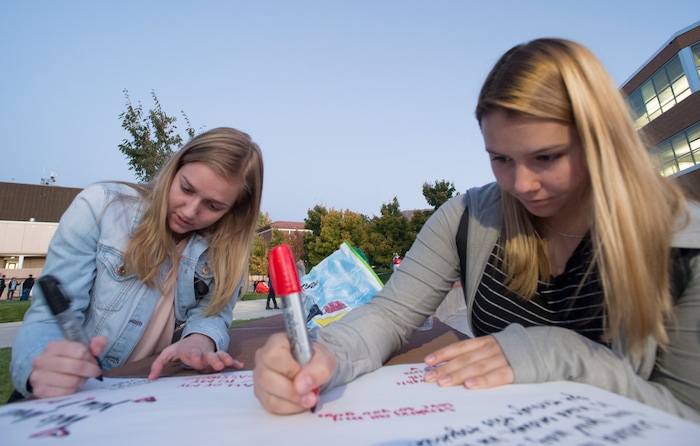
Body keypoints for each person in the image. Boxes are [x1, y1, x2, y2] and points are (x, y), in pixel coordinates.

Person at [253, 38, 700, 422]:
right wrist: (327, 353)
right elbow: (389, 315)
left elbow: (686, 415)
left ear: (602, 140)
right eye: (500, 159)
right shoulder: (468, 216)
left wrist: (554, 354)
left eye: (546, 157)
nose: (521, 185)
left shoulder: (685, 245)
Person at [11, 127, 264, 399]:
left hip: (145, 397)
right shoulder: (101, 208)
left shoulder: (228, 250)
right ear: (175, 168)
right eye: (186, 188)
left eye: (213, 206)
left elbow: (212, 313)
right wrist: (37, 369)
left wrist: (200, 341)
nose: (190, 211)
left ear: (234, 211)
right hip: (67, 395)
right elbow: (47, 318)